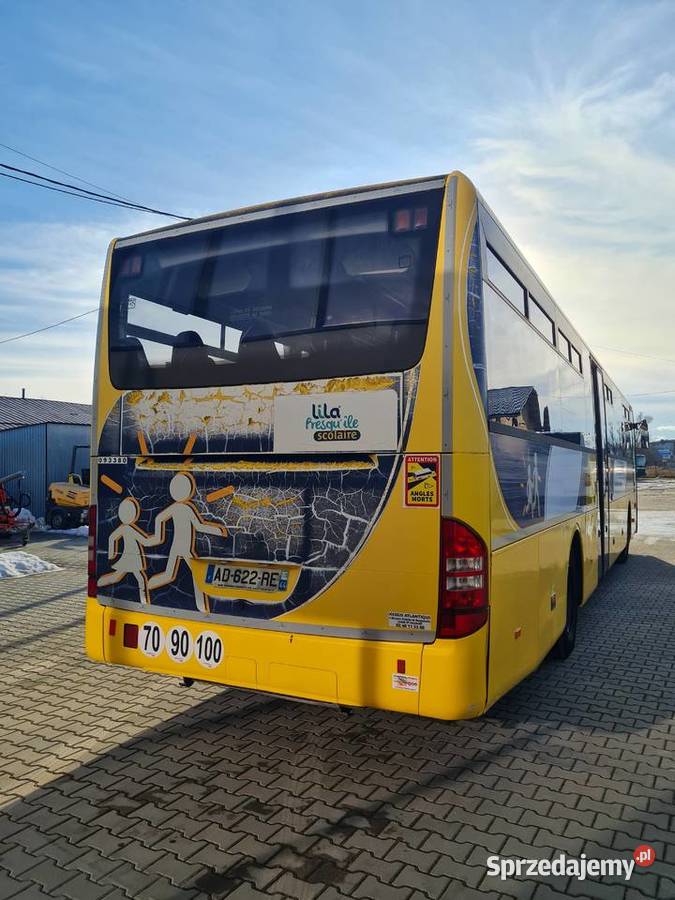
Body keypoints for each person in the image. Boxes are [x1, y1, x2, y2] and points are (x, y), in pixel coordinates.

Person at [146, 472, 228, 612]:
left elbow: (159, 518)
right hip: (184, 548)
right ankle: (202, 607)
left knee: (169, 575)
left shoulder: (176, 508)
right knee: (194, 576)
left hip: (178, 547)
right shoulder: (186, 508)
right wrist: (218, 531)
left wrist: (158, 535)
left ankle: (147, 586)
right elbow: (199, 526)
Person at [98, 497, 151, 604]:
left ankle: (100, 582)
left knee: (123, 576)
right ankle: (144, 600)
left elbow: (112, 538)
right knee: (139, 578)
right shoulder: (129, 528)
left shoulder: (124, 528)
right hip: (132, 556)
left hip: (130, 556)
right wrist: (111, 554)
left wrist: (112, 554)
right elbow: (144, 540)